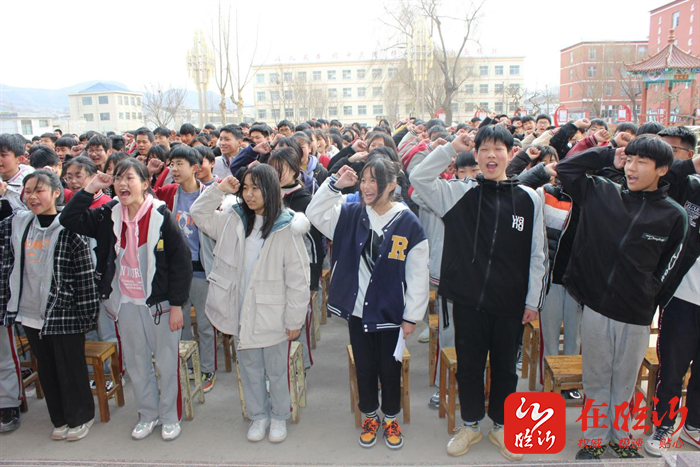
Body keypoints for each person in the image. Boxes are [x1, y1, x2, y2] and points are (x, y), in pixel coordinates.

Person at [410, 126, 548, 461]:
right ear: (476, 155)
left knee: (505, 368)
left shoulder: (529, 200)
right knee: (469, 366)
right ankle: (470, 425)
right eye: (484, 149)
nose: (490, 155)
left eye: (498, 149)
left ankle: (501, 425)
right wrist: (450, 149)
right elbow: (419, 177)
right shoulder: (459, 193)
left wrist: (532, 301)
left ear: (511, 154)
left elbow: (537, 255)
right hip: (467, 300)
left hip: (509, 304)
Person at [556, 136, 688, 460]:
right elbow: (565, 169)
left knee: (625, 384)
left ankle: (621, 437)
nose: (632, 167)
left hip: (636, 314)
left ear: (662, 170)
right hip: (597, 308)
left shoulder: (673, 216)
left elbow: (670, 269)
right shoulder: (601, 191)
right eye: (630, 159)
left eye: (642, 162)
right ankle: (593, 439)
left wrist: (648, 298)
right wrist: (606, 154)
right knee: (597, 380)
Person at [59, 158, 192, 442]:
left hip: (160, 304)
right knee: (136, 362)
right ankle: (147, 414)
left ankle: (169, 416)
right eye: (118, 178)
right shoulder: (108, 213)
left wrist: (177, 305)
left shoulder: (160, 215)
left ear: (145, 184)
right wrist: (90, 188)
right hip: (127, 303)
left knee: (166, 363)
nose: (122, 183)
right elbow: (68, 219)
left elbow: (181, 263)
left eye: (130, 178)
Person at [307, 158, 429, 450]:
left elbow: (417, 272)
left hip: (391, 312)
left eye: (374, 181)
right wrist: (335, 185)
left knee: (390, 368)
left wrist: (412, 316)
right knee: (364, 367)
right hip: (358, 312)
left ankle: (390, 418)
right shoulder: (349, 212)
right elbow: (314, 213)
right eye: (363, 180)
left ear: (392, 185)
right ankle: (370, 416)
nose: (366, 187)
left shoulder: (407, 221)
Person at [190, 165, 309, 444]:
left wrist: (294, 320)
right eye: (245, 188)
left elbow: (298, 279)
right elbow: (199, 214)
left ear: (269, 190)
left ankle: (279, 415)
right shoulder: (234, 218)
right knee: (249, 368)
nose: (249, 194)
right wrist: (218, 190)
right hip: (240, 307)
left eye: (256, 188)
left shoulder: (286, 226)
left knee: (276, 371)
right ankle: (258, 416)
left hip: (273, 312)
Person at [0, 169, 100, 441]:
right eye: (29, 191)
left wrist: (87, 316)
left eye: (39, 190)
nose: (33, 197)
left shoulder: (70, 228)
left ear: (56, 193)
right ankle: (59, 418)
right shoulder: (19, 225)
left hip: (65, 311)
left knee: (71, 366)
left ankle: (81, 416)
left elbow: (85, 276)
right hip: (31, 312)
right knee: (47, 367)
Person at [153, 146, 218, 392]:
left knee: (204, 322)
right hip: (176, 271)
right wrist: (158, 171)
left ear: (195, 167)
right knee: (180, 322)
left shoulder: (210, 194)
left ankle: (207, 369)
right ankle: (189, 365)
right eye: (172, 164)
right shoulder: (169, 193)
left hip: (202, 269)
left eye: (180, 163)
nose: (174, 169)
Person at [267, 147, 325, 369]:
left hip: (299, 272)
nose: (278, 173)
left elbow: (314, 244)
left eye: (283, 169)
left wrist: (313, 281)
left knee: (297, 320)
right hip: (272, 272)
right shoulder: (266, 197)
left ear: (295, 171)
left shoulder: (304, 200)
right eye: (274, 169)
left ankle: (300, 368)